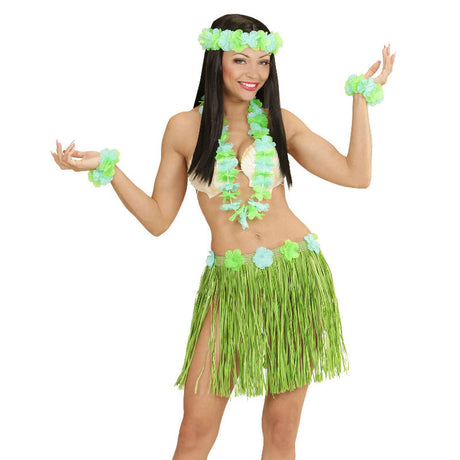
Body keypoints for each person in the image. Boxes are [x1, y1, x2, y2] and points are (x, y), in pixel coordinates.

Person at [51, 12, 395, 460]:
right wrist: (108, 169)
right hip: (230, 285)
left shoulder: (279, 121)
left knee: (280, 429)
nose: (254, 73)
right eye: (240, 60)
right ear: (216, 62)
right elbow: (158, 219)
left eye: (263, 62)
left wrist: (361, 99)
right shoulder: (183, 128)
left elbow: (356, 174)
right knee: (194, 430)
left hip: (296, 278)